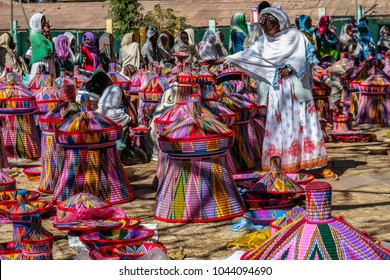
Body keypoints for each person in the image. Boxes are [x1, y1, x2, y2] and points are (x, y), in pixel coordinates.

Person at [208, 7, 337, 179]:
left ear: (279, 21)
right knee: (280, 125)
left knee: (304, 122)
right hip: (278, 91)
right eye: (263, 25)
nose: (266, 28)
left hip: (297, 88)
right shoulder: (263, 42)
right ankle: (284, 165)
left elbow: (308, 56)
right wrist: (220, 60)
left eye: (270, 24)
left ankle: (316, 163)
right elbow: (246, 55)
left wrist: (290, 66)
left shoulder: (296, 36)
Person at [28, 13, 56, 81]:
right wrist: (49, 49)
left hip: (47, 61)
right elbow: (45, 48)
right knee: (38, 81)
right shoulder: (34, 33)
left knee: (49, 82)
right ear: (37, 22)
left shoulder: (42, 34)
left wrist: (48, 34)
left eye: (44, 21)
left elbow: (52, 46)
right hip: (40, 61)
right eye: (42, 21)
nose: (43, 23)